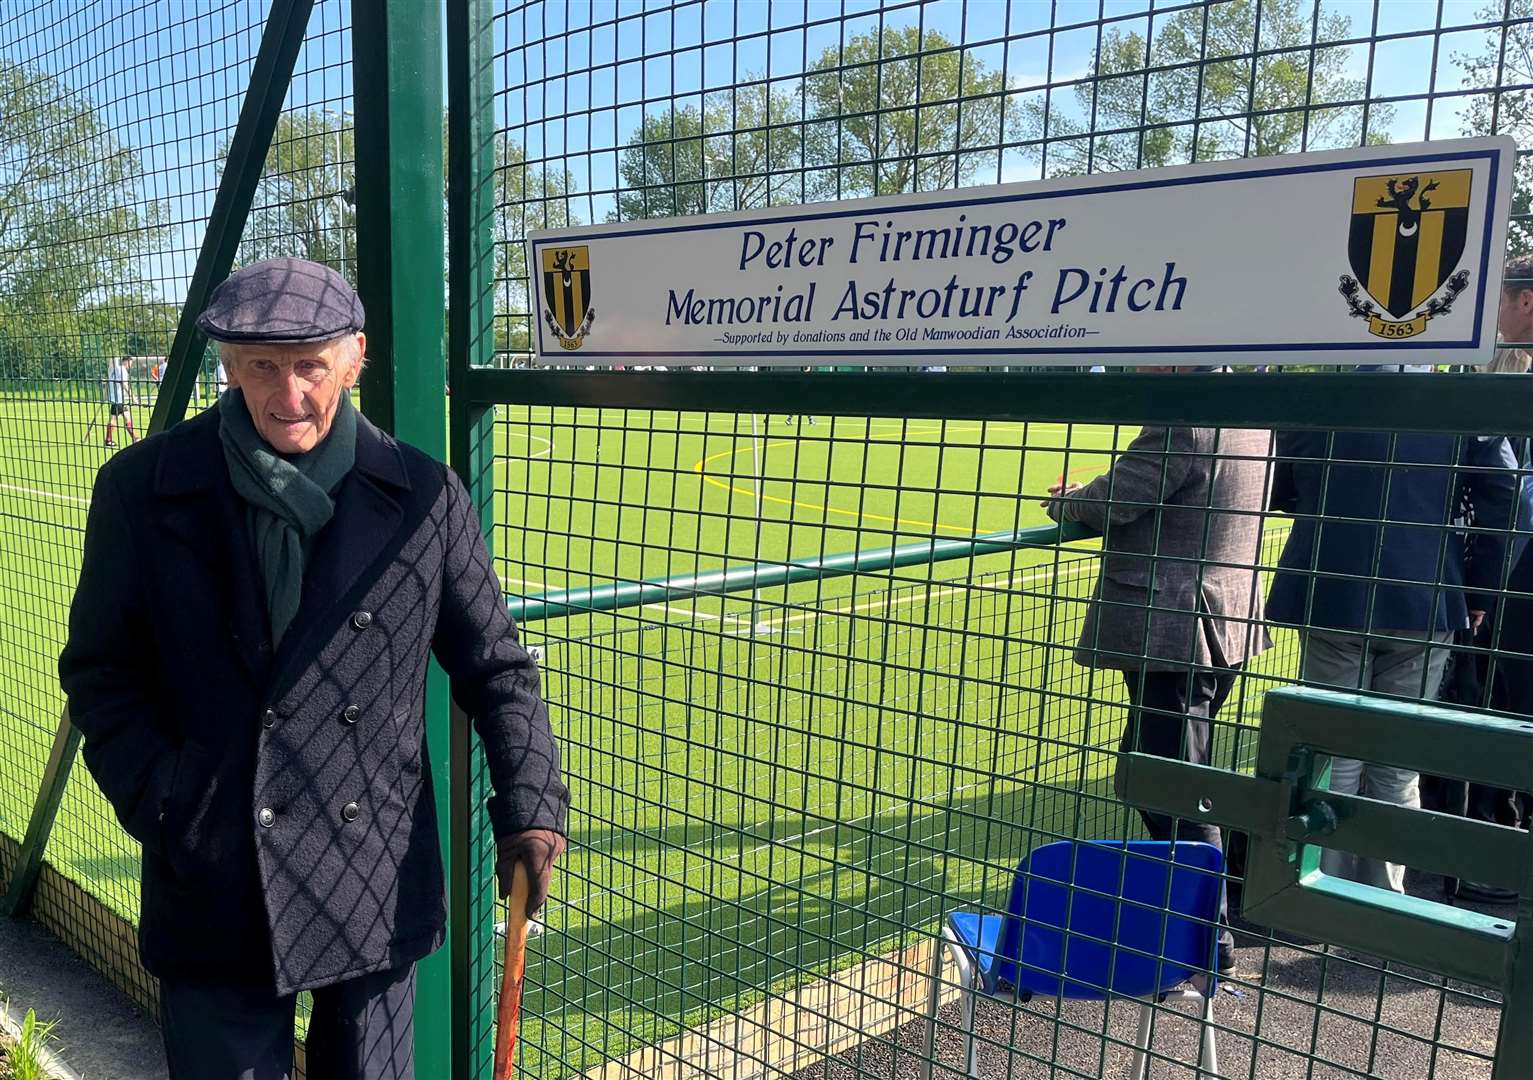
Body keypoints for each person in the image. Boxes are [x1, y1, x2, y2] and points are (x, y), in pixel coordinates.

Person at [59, 258, 569, 1080]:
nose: (287, 395)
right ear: (227, 364)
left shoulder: (424, 499)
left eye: (310, 367)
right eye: (261, 367)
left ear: (355, 357)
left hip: (370, 874)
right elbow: (100, 674)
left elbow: (496, 667)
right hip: (213, 870)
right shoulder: (141, 490)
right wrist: (166, 799)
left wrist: (531, 806)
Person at [1044, 392, 1272, 976]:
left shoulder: (1185, 420)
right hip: (1222, 620)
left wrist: (1070, 501)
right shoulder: (1252, 415)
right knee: (1165, 772)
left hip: (1176, 628)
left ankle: (1207, 935)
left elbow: (1117, 498)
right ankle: (1201, 918)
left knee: (1167, 782)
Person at [1267, 369, 1518, 895]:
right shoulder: (1463, 402)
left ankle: (1319, 890)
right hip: (1423, 597)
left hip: (1332, 589)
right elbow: (1505, 500)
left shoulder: (1321, 396)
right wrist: (1480, 592)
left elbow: (1284, 487)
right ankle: (1382, 896)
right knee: (1397, 758)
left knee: (1333, 750)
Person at [104, 356, 138, 448]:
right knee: (114, 419)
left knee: (127, 417)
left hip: (116, 398)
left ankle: (135, 438)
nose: (131, 365)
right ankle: (108, 440)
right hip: (118, 399)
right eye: (130, 362)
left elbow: (108, 383)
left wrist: (106, 395)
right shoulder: (122, 370)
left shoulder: (112, 370)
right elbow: (124, 384)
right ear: (126, 361)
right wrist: (133, 397)